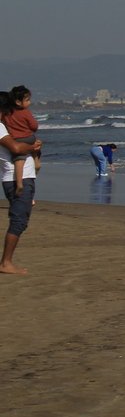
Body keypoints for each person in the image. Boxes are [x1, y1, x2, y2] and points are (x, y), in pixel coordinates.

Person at [1, 119, 42, 275]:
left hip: (24, 177)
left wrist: (34, 148)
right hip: (17, 179)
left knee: (20, 221)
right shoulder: (0, 127)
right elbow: (16, 148)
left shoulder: (7, 127)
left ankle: (6, 262)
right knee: (19, 221)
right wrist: (32, 146)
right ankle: (6, 263)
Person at [0, 86, 40, 196]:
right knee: (34, 147)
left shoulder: (7, 116)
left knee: (19, 160)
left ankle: (19, 183)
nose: (30, 102)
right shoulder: (25, 112)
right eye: (27, 100)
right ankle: (36, 162)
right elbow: (34, 126)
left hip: (18, 139)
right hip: (29, 138)